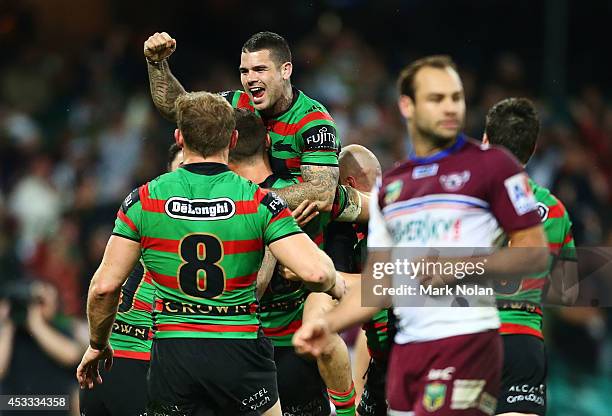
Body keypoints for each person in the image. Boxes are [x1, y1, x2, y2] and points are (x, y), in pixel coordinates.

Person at [293, 55, 550, 416]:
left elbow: (533, 254)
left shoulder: (495, 166)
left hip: (467, 344)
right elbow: (379, 285)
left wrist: (459, 267)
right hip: (406, 357)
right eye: (436, 98)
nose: (450, 107)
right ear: (407, 105)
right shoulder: (393, 188)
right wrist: (328, 325)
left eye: (456, 97)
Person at [76, 92, 342, 416]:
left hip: (174, 356)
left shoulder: (142, 200)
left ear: (179, 137)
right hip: (241, 353)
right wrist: (336, 287)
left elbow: (104, 288)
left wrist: (97, 345)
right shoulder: (260, 202)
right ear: (232, 138)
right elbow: (317, 272)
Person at [229, 108, 357, 416]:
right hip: (298, 352)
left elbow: (249, 293)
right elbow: (363, 205)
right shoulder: (308, 195)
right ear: (269, 143)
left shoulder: (222, 206)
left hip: (241, 350)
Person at [483, 97, 577, 416]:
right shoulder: (556, 210)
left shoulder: (463, 200)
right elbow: (566, 293)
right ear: (533, 148)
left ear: (485, 140)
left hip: (467, 339)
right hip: (523, 344)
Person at [79, 144, 183, 416]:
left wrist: (95, 344)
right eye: (183, 169)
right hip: (141, 367)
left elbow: (101, 287)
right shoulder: (184, 232)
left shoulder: (137, 217)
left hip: (102, 365)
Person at [322, 144, 391, 416]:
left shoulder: (391, 218)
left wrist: (316, 274)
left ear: (348, 184)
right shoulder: (349, 230)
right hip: (382, 358)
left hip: (403, 352)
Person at [0, 280, 85, 416]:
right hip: (14, 407)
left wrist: (36, 324)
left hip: (54, 407)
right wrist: (9, 323)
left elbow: (72, 356)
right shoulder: (9, 334)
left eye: (41, 302)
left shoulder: (61, 329)